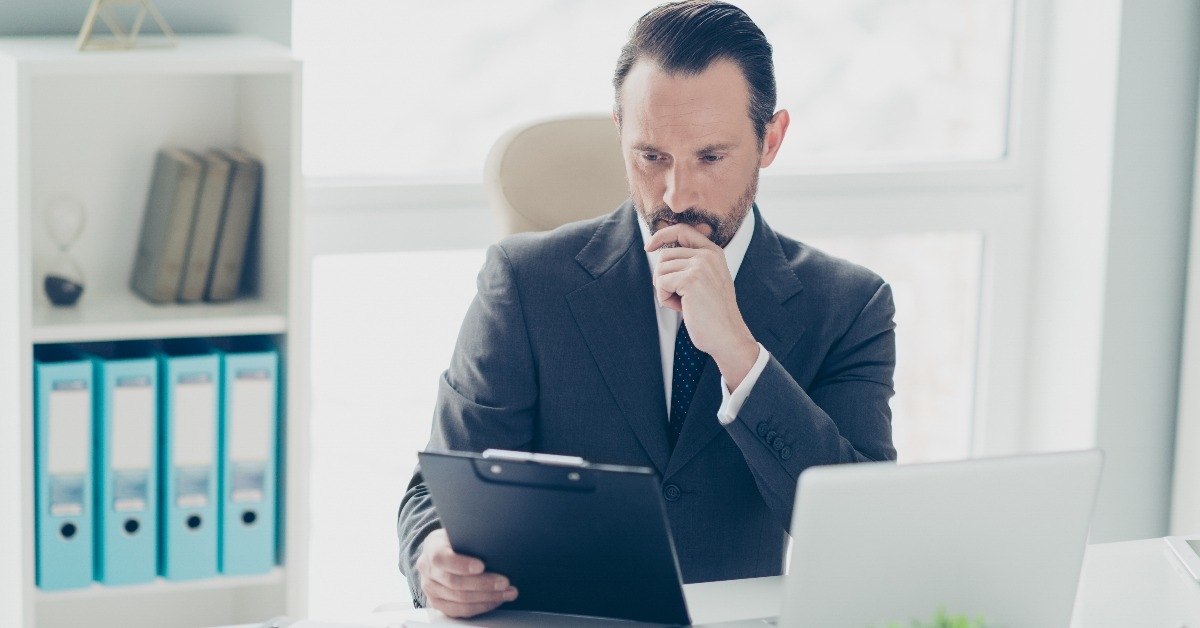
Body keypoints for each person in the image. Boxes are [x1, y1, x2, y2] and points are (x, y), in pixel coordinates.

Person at [397, 0, 897, 618]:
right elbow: (439, 491)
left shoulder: (847, 306)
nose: (676, 195)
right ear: (620, 131)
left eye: (711, 158)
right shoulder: (525, 283)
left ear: (770, 140)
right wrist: (432, 554)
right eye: (651, 156)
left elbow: (862, 530)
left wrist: (740, 356)